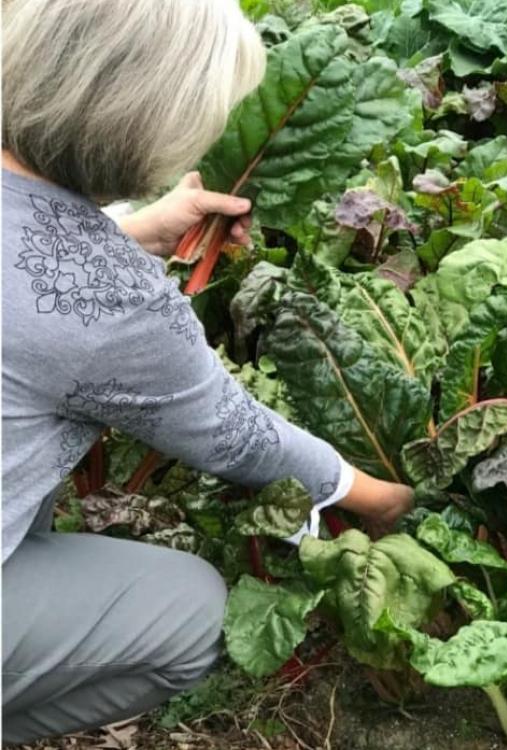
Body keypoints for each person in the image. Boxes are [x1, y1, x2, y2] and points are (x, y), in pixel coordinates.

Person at [1, 0, 414, 744]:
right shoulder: (111, 300)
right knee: (190, 610)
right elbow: (237, 438)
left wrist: (128, 232)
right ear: (148, 127)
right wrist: (383, 498)